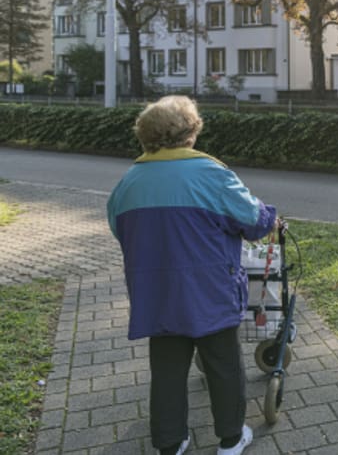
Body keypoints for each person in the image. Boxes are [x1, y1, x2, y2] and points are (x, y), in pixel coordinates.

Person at [107, 95, 277, 455]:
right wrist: (269, 216)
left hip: (155, 292)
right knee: (224, 365)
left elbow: (120, 229)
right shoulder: (211, 174)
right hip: (208, 289)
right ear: (190, 133)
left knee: (167, 369)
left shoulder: (128, 182)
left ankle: (170, 442)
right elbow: (254, 221)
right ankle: (231, 439)